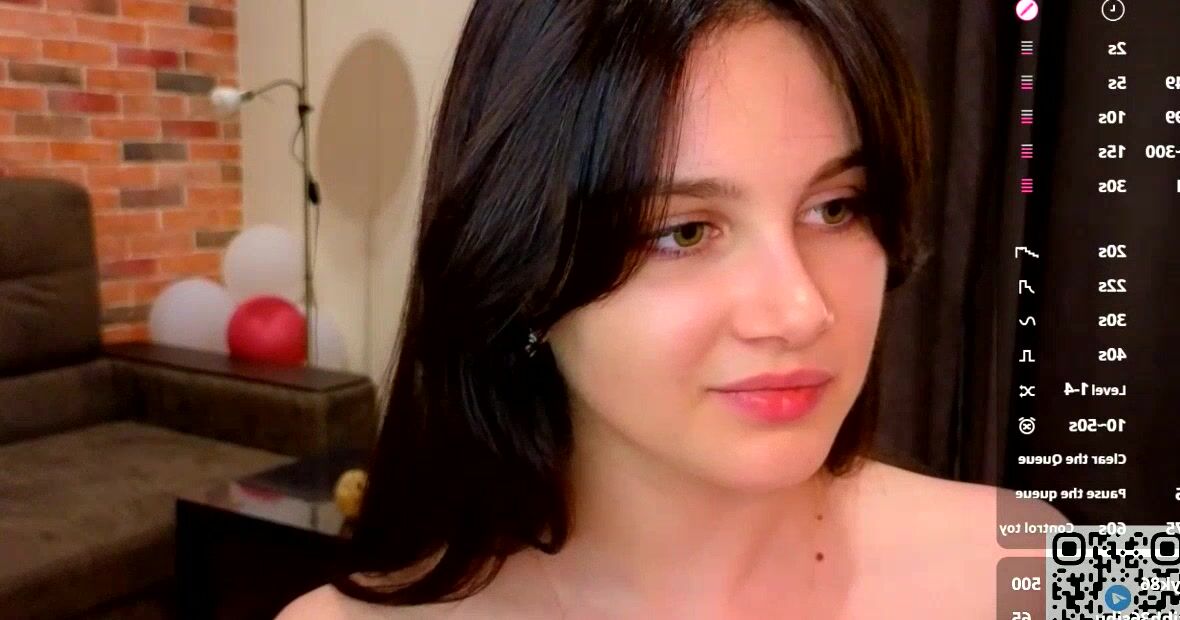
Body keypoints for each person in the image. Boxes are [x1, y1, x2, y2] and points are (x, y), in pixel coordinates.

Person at [279, 0, 1067, 617]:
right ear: (520, 262)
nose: (800, 311)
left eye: (835, 208)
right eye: (684, 231)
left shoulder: (1038, 558)